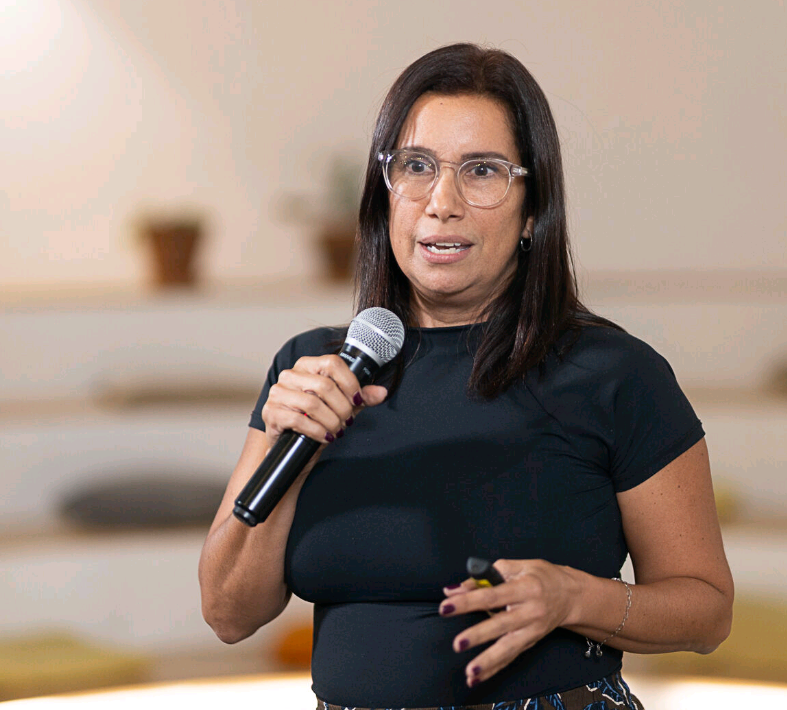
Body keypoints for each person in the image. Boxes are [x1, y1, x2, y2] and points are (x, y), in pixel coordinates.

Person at [199, 43, 733, 710]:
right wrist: (295, 452)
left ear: (533, 208)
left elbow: (706, 610)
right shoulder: (312, 370)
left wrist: (574, 597)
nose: (441, 202)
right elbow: (228, 614)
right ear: (384, 193)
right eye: (416, 167)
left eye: (481, 171)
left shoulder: (612, 374)